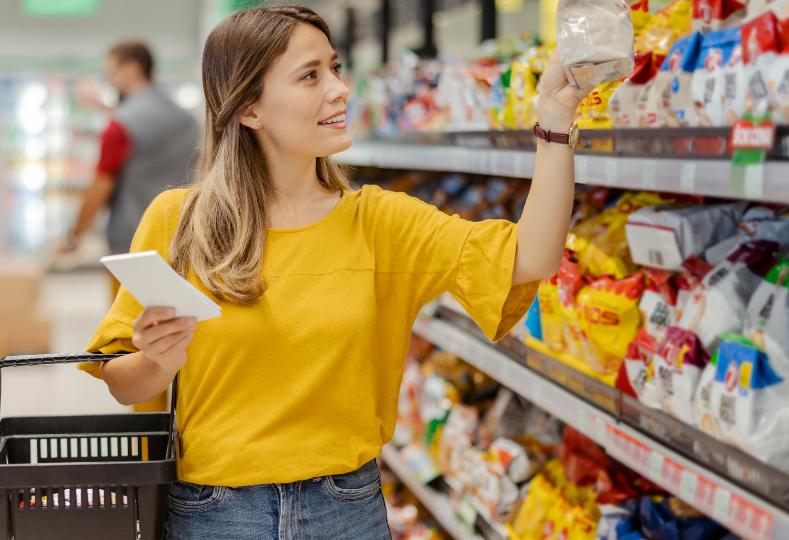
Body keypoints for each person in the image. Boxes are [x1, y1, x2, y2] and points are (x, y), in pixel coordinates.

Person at [82, 6, 589, 539]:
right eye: (310, 75)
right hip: (214, 513)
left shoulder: (380, 222)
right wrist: (156, 361)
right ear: (250, 107)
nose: (340, 89)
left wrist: (554, 125)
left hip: (345, 512)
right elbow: (120, 380)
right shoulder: (180, 221)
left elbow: (530, 257)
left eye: (335, 68)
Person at [62, 41, 197, 413]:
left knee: (140, 353)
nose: (109, 80)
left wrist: (73, 236)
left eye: (112, 72)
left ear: (131, 69)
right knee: (187, 346)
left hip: (133, 254)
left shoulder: (120, 126)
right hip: (190, 249)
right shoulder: (186, 119)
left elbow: (99, 188)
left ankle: (150, 451)